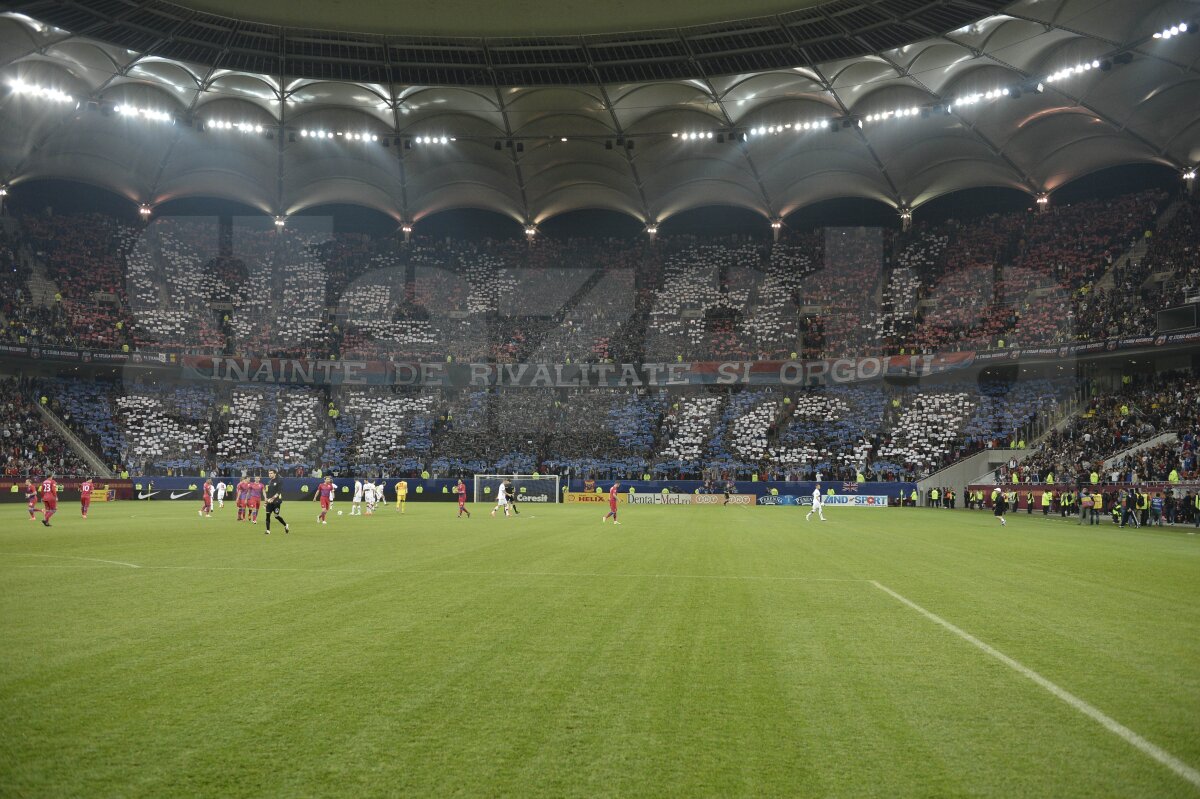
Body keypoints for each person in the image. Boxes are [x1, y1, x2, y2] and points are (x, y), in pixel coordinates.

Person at [263, 469, 289, 535]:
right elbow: (268, 493)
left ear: (275, 474)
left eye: (271, 473)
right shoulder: (269, 482)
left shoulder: (279, 481)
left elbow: (279, 492)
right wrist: (266, 501)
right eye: (269, 473)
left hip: (276, 501)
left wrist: (272, 498)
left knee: (276, 516)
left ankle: (286, 525)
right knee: (267, 515)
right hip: (269, 501)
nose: (270, 474)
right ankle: (268, 530)